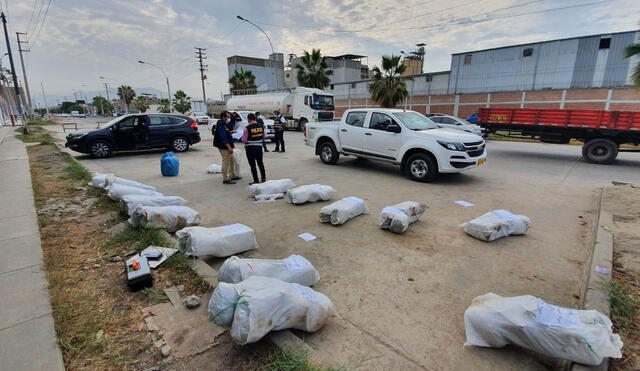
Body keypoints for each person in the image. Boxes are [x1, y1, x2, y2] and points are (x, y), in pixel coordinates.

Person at [213, 111, 241, 184]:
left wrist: (231, 132)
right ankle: (226, 178)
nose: (229, 117)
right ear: (223, 117)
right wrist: (229, 147)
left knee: (232, 160)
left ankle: (233, 175)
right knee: (226, 162)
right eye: (227, 116)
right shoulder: (221, 124)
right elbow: (223, 137)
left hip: (229, 145)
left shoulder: (225, 123)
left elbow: (226, 132)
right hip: (224, 146)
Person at [242, 113, 266, 184]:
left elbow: (244, 140)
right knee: (260, 163)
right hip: (259, 148)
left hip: (250, 149)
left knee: (252, 164)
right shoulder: (261, 126)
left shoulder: (247, 128)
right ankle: (263, 178)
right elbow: (264, 136)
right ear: (255, 118)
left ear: (248, 119)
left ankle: (256, 180)